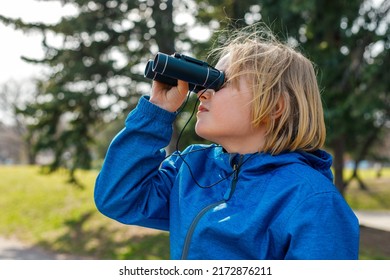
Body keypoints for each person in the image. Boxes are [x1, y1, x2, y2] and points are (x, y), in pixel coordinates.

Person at [94, 25, 360, 260]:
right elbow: (119, 198)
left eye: (221, 83)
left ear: (275, 106)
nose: (203, 93)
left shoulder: (311, 200)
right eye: (207, 80)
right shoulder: (190, 170)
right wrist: (158, 111)